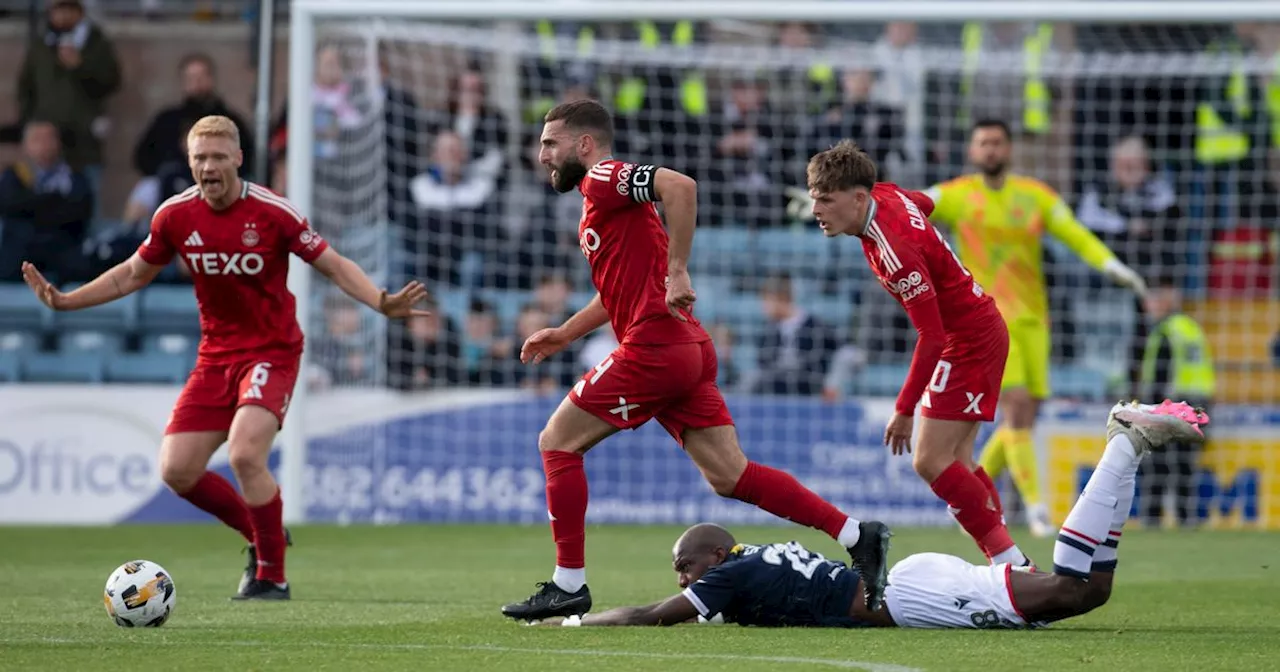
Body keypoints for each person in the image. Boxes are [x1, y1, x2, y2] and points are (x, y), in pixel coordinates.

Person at [501, 100, 891, 623]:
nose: (543, 154)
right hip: (684, 348)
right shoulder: (600, 203)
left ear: (584, 144)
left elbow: (681, 186)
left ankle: (569, 584)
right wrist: (566, 333)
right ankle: (855, 533)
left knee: (556, 443)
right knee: (730, 475)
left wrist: (678, 271)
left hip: (656, 348)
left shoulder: (602, 177)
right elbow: (619, 290)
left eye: (551, 143)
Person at [20, 115, 429, 600]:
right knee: (176, 470)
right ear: (190, 162)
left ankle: (272, 575)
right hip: (216, 357)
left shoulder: (273, 212)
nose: (208, 166)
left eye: (217, 156)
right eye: (200, 158)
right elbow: (132, 274)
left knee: (243, 453)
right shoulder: (174, 216)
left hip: (272, 351)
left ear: (237, 158)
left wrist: (379, 301)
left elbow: (333, 264)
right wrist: (68, 301)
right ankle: (262, 536)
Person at [529, 401, 1210, 629]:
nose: (681, 579)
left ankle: (1123, 439)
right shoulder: (754, 561)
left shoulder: (727, 578)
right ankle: (1132, 448)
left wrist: (578, 620)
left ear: (713, 558)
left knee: (1073, 590)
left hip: (916, 599)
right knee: (1091, 591)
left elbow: (649, 617)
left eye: (683, 566)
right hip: (910, 583)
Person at [805, 140, 1030, 569]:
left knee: (928, 459)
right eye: (815, 198)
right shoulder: (887, 194)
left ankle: (1013, 564)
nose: (817, 209)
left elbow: (931, 335)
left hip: (967, 341)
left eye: (826, 200)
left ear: (857, 199)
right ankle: (1007, 565)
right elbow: (921, 203)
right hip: (976, 330)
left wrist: (904, 410)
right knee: (958, 462)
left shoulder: (895, 252)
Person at [924, 120, 1148, 537]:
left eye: (997, 142)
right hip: (986, 321)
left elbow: (1076, 235)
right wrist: (862, 205)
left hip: (1034, 319)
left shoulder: (1035, 196)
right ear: (973, 152)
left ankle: (963, 498)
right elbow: (911, 205)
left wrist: (1111, 265)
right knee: (1018, 409)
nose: (990, 149)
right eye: (983, 143)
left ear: (1008, 150)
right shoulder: (956, 195)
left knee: (1024, 417)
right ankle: (1037, 509)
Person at [1136, 275, 1216, 527]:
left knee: (1158, 465)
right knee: (1184, 466)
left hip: (1172, 405)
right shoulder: (1190, 327)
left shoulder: (1165, 330)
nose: (1148, 306)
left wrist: (1149, 413)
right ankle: (1186, 519)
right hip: (1197, 405)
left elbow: (1161, 373)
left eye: (1152, 299)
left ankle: (1152, 518)